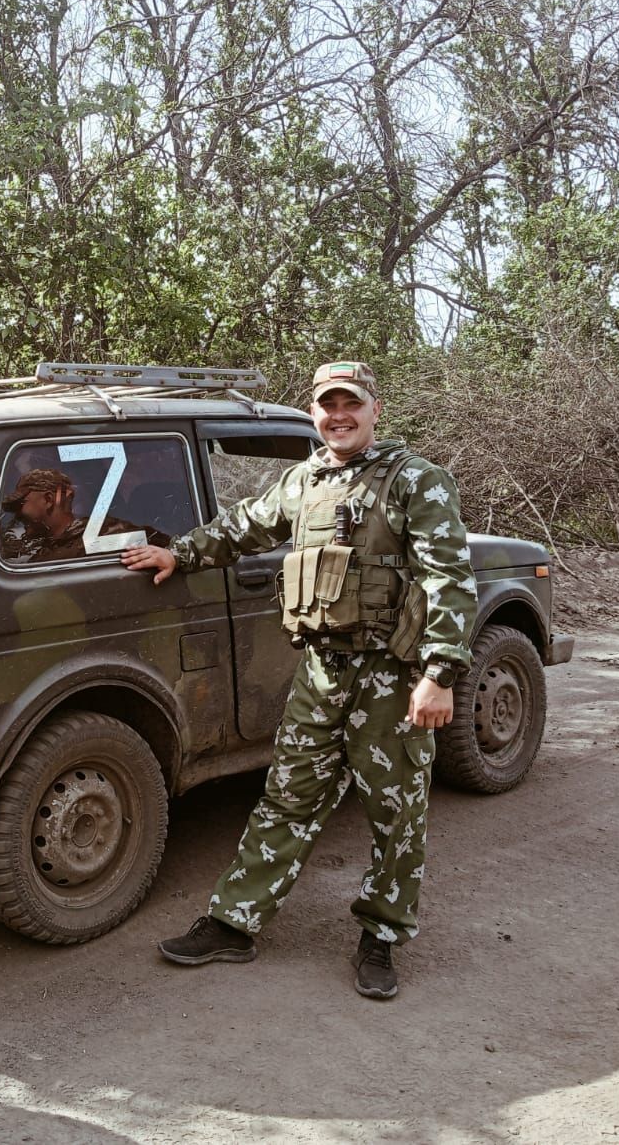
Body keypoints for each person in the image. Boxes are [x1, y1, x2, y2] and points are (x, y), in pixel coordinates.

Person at [120, 360, 477, 999]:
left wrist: (440, 674)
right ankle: (234, 923)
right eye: (326, 405)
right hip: (321, 672)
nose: (338, 416)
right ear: (314, 412)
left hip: (391, 677)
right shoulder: (303, 480)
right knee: (287, 797)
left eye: (351, 404)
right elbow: (242, 527)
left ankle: (384, 935)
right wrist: (179, 552)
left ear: (374, 408)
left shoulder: (416, 481)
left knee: (394, 810)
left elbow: (450, 578)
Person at [0, 467, 168, 563]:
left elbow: (165, 547)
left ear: (48, 500)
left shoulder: (104, 534)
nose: (17, 514)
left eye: (21, 504)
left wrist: (174, 556)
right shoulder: (43, 544)